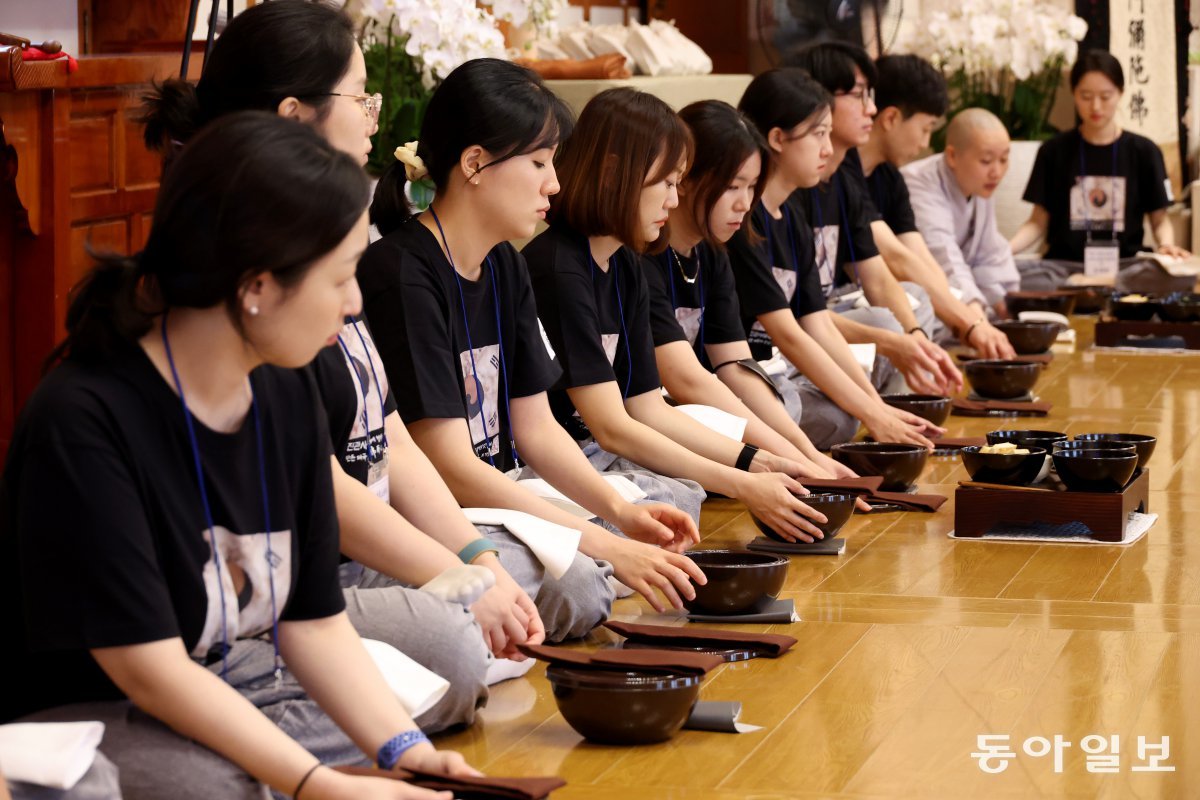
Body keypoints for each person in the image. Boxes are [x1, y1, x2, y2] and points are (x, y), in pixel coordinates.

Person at [0, 113, 474, 799]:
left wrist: (402, 750)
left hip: (232, 671)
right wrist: (317, 784)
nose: (355, 304)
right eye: (341, 277)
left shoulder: (284, 394)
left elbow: (312, 621)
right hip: (89, 711)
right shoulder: (84, 420)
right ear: (256, 287)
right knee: (219, 787)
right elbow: (149, 671)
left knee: (418, 699)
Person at [140, 0, 526, 732]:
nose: (355, 304)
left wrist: (473, 562)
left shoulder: (322, 254)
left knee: (500, 601)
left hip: (279, 609)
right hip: (201, 650)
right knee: (447, 647)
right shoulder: (197, 345)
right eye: (361, 95)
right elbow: (156, 659)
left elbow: (387, 449)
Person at [362, 59, 708, 611]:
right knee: (580, 581)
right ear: (475, 163)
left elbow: (538, 432)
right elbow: (449, 468)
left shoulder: (504, 263)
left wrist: (621, 518)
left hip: (506, 493)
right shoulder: (402, 272)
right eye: (540, 163)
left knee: (667, 508)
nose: (555, 183)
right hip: (449, 514)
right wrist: (601, 543)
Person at [523, 87, 835, 544]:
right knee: (672, 501)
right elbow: (611, 427)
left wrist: (755, 461)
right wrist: (745, 477)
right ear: (614, 173)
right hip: (564, 462)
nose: (673, 201)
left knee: (682, 494)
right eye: (667, 183)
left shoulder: (625, 262)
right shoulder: (558, 266)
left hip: (606, 455)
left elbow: (648, 406)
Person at [643, 99, 858, 482]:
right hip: (666, 412)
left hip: (709, 404)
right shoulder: (643, 254)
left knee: (784, 404)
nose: (745, 204)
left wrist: (807, 456)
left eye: (752, 187)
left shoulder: (712, 252)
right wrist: (781, 458)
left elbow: (736, 366)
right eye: (732, 187)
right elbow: (686, 380)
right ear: (687, 179)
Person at [732, 69, 940, 450]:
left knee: (842, 413)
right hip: (750, 374)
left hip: (782, 367)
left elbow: (818, 325)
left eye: (829, 133)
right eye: (818, 135)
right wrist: (871, 414)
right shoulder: (743, 220)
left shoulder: (791, 213)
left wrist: (877, 408)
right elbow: (789, 334)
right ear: (777, 138)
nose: (829, 150)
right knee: (832, 417)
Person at [785, 41, 963, 398]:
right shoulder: (786, 186)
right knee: (886, 321)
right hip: (780, 340)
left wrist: (916, 339)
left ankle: (899, 407)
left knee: (911, 302)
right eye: (860, 96)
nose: (872, 109)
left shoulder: (845, 180)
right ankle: (882, 409)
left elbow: (880, 274)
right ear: (816, 99)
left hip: (823, 319)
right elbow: (790, 315)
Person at [854, 54, 1016, 358]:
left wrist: (973, 320)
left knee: (922, 299)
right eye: (926, 128)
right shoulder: (845, 171)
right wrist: (970, 323)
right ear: (890, 118)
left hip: (873, 299)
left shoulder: (889, 177)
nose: (926, 144)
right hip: (840, 303)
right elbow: (898, 258)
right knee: (901, 309)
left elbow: (922, 258)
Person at [1011, 49, 1191, 291]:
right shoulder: (1053, 150)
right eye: (1086, 96)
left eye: (1105, 96)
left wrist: (1166, 247)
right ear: (1074, 94)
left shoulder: (1145, 151)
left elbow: (1160, 221)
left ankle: (1094, 286)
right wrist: (1004, 252)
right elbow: (1037, 222)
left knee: (1180, 276)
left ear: (1121, 93)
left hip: (1125, 266)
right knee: (1012, 275)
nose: (1095, 106)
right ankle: (1095, 286)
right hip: (1064, 266)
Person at [903, 109, 1021, 315]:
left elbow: (991, 253)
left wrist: (1008, 306)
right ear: (952, 156)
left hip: (960, 291)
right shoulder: (919, 183)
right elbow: (942, 255)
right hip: (916, 295)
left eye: (1003, 160)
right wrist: (974, 314)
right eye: (986, 161)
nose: (997, 172)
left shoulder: (978, 185)